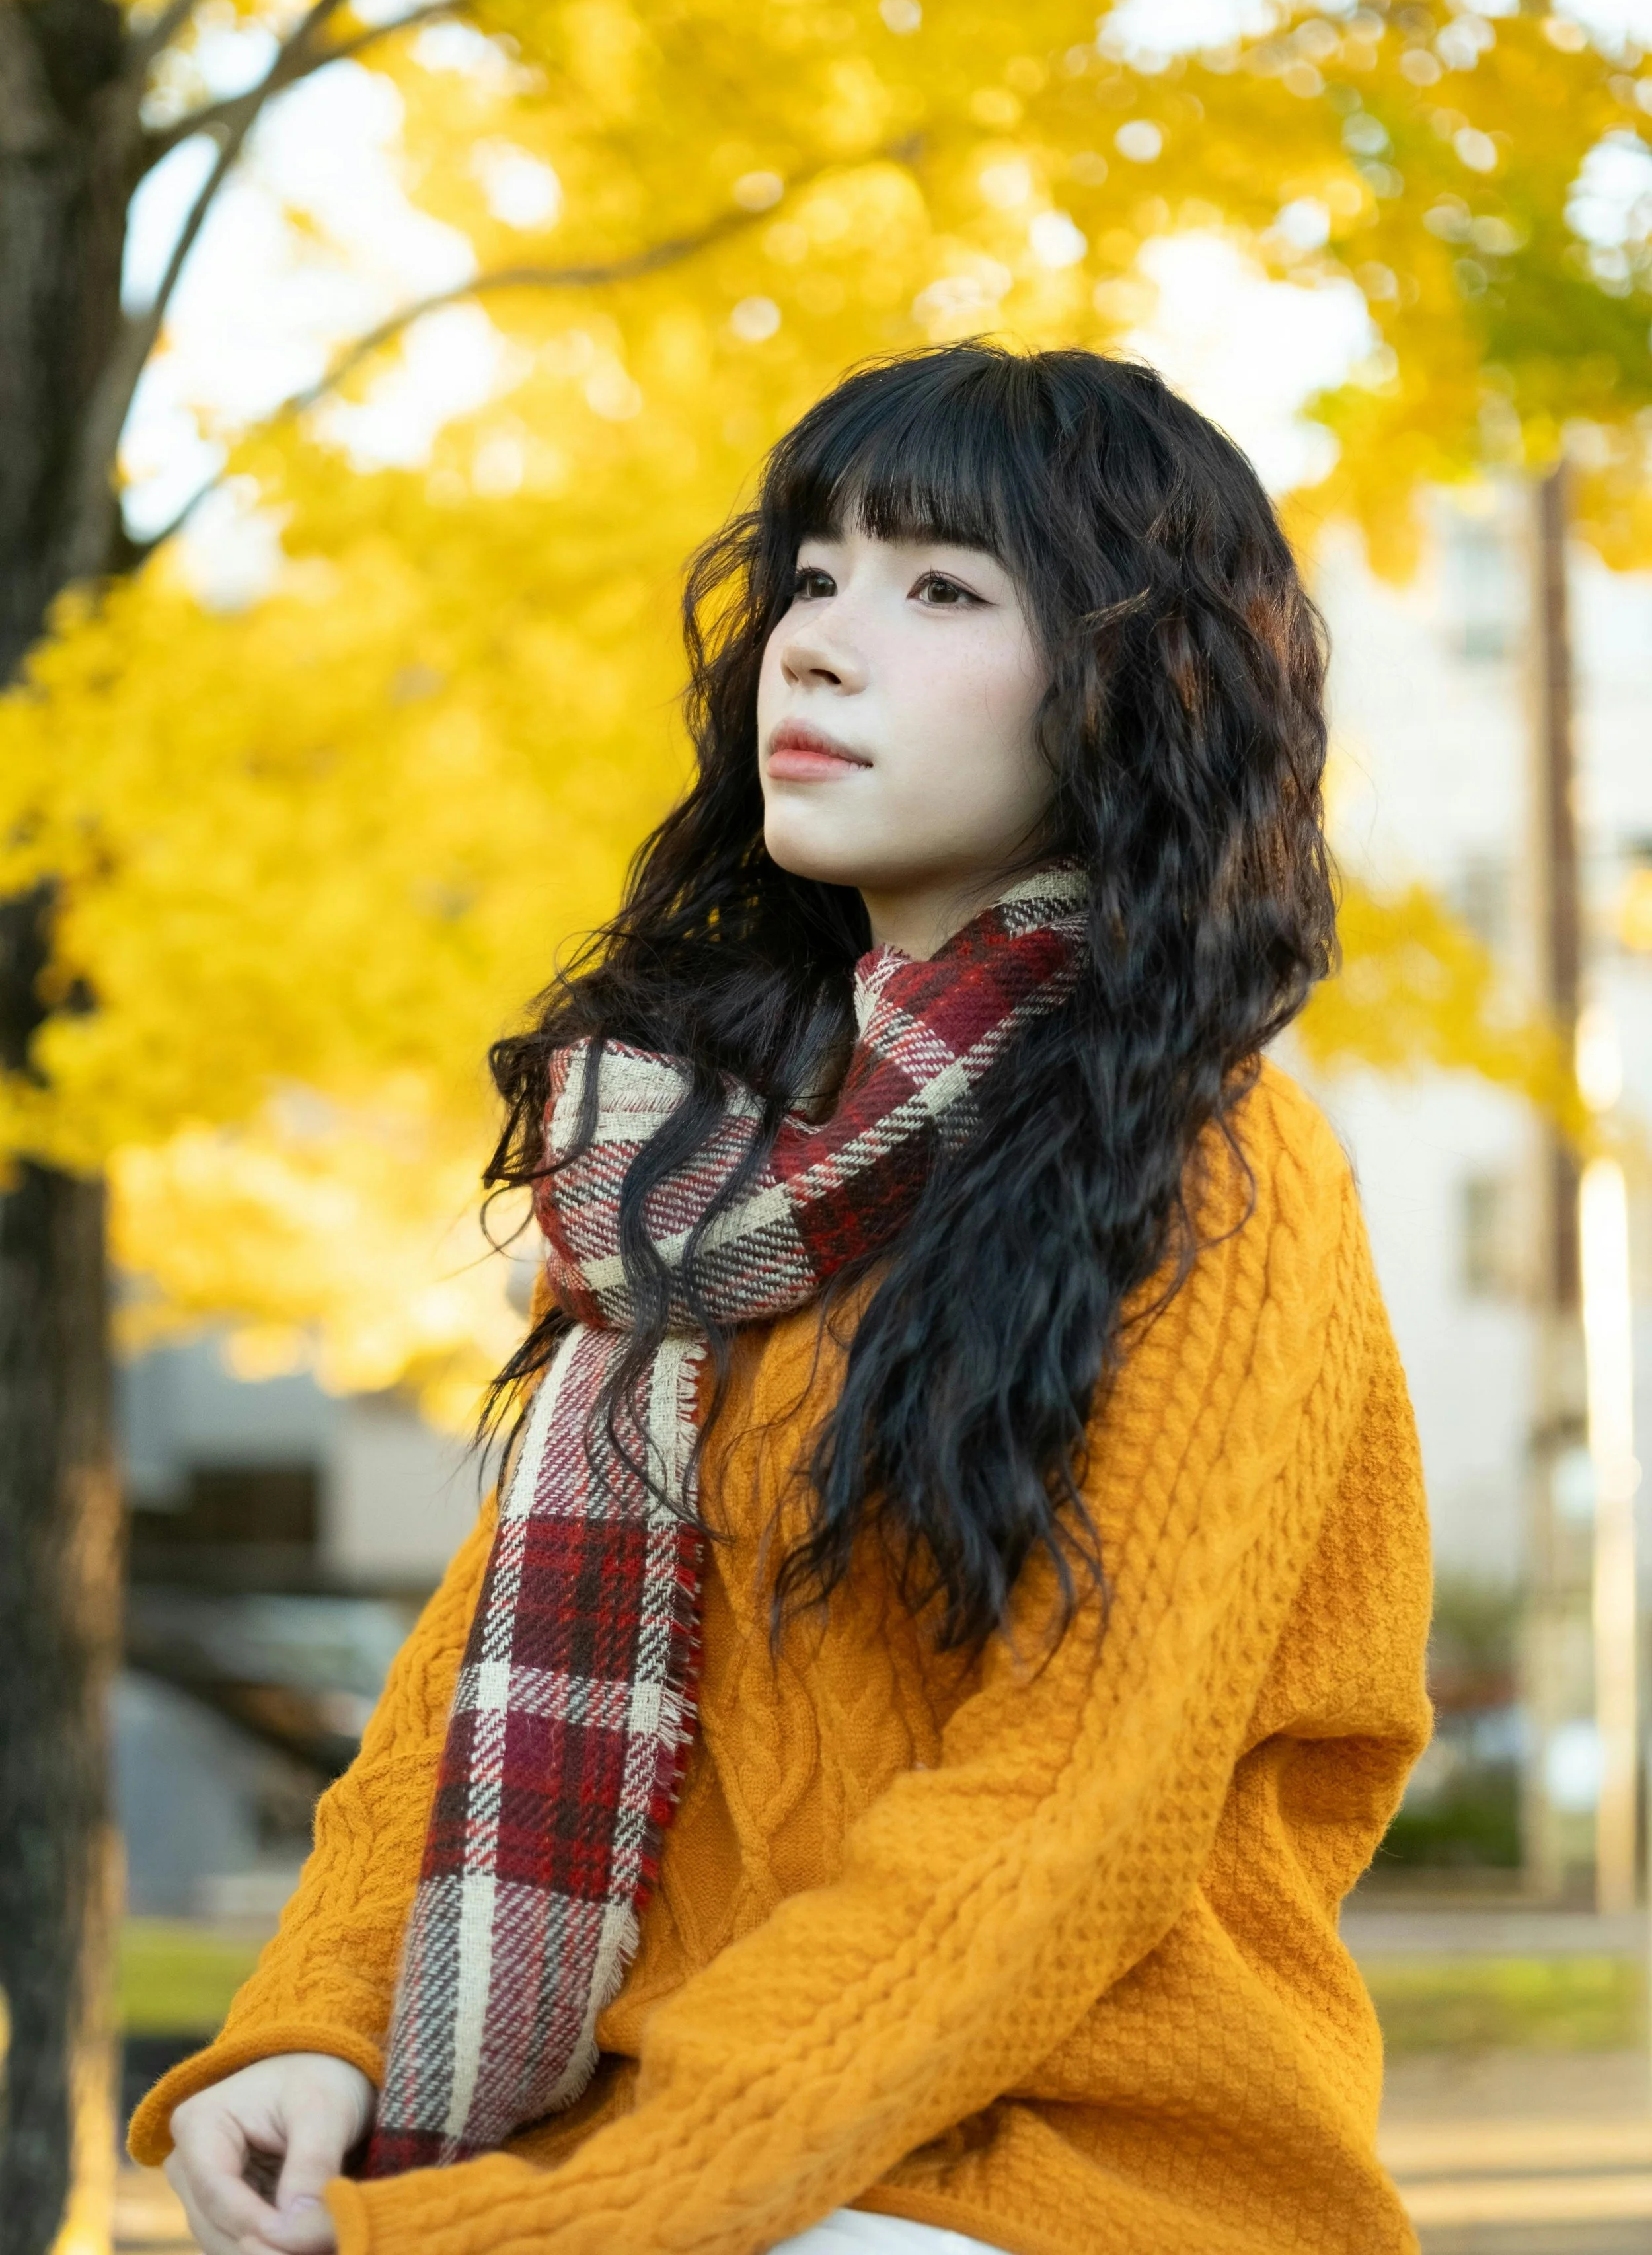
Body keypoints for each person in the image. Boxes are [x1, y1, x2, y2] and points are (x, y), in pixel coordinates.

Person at [131, 343, 1432, 2255]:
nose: (816, 647)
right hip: (679, 2152)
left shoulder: (1212, 1168)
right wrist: (310, 2023)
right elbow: (469, 1671)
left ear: (1131, 688)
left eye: (939, 589)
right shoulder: (703, 1154)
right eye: (811, 578)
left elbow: (1058, 1822)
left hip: (1068, 2174)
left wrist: (579, 2219)